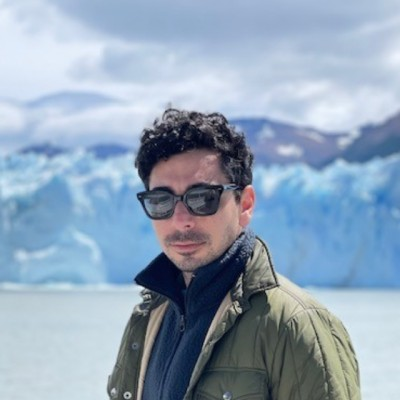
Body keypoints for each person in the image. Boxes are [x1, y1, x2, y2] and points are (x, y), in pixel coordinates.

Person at [107, 108, 361, 400]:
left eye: (203, 198)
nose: (181, 220)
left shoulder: (295, 325)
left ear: (245, 204)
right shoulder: (149, 318)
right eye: (161, 201)